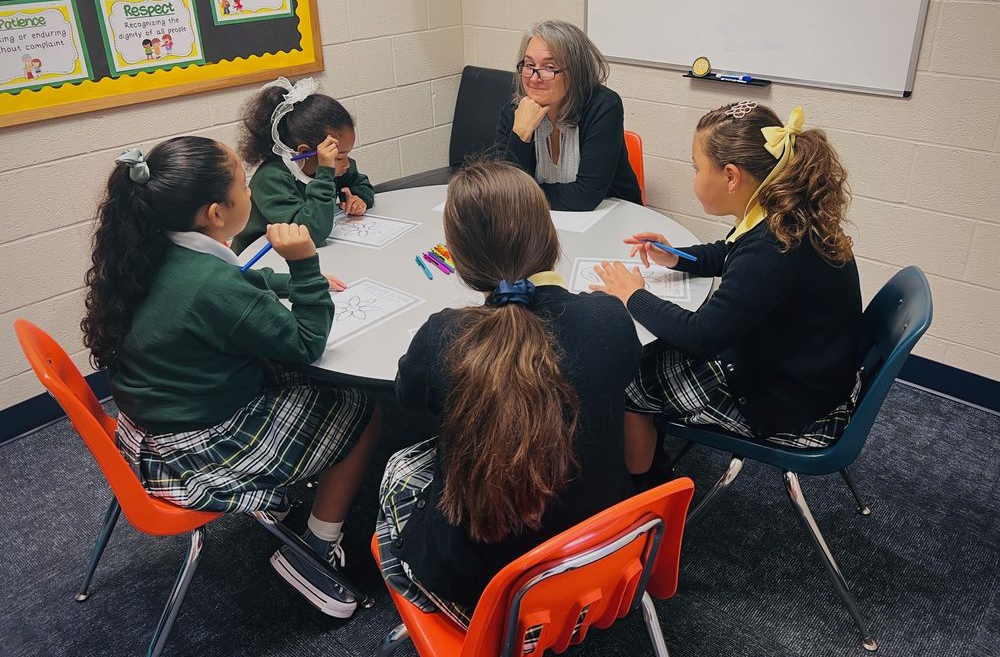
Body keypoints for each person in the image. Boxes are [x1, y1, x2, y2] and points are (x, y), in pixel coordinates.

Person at [81, 136, 380, 618]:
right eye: (243, 184)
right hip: (192, 454)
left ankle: (281, 498)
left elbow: (232, 283)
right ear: (217, 214)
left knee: (293, 378)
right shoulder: (208, 283)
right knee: (360, 406)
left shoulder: (151, 248)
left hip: (147, 429)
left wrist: (283, 282)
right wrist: (304, 266)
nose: (250, 191)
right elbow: (307, 343)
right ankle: (319, 546)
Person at [376, 161, 642, 627]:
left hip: (484, 590)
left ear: (458, 257)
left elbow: (410, 401)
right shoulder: (609, 318)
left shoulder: (445, 336)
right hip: (601, 554)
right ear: (549, 235)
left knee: (400, 467)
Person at [590, 101, 862, 477]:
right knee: (650, 353)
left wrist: (632, 293)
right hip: (806, 373)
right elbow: (730, 252)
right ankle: (650, 454)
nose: (695, 175)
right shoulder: (782, 213)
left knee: (626, 380)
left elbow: (702, 337)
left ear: (731, 176)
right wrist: (675, 256)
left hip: (786, 406)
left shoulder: (773, 249)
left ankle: (642, 486)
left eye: (696, 167)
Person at [494, 19, 641, 211]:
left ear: (575, 72)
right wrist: (521, 133)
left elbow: (586, 196)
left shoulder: (604, 107)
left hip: (612, 220)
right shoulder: (514, 111)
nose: (534, 78)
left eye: (549, 68)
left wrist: (523, 195)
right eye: (529, 65)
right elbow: (503, 192)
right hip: (545, 222)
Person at [232, 77, 374, 255]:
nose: (346, 164)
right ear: (304, 152)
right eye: (339, 157)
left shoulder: (334, 164)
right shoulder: (271, 179)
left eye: (347, 155)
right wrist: (325, 174)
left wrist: (358, 199)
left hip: (299, 254)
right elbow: (310, 233)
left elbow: (362, 185)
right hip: (260, 261)